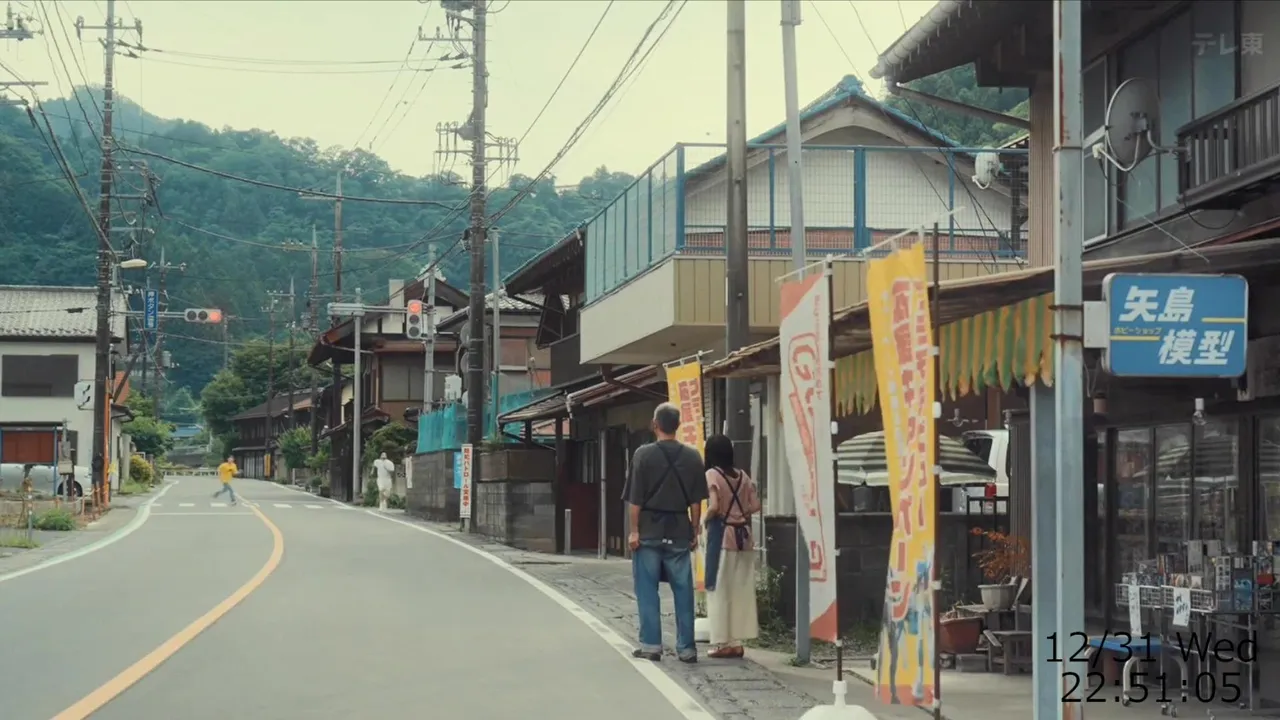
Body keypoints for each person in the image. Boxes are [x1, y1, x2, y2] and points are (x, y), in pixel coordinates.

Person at [626, 402, 708, 664]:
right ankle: (687, 648)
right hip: (679, 530)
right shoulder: (693, 457)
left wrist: (634, 531)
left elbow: (635, 500)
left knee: (647, 589)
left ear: (655, 425)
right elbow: (696, 502)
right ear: (678, 425)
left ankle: (651, 645)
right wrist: (694, 530)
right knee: (683, 590)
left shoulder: (643, 455)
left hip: (649, 530)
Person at [702, 433, 761, 659]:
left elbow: (714, 506)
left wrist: (703, 520)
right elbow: (755, 505)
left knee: (718, 588)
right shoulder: (743, 476)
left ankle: (722, 643)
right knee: (740, 591)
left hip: (722, 537)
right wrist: (740, 514)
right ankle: (737, 641)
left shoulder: (712, 474)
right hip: (743, 537)